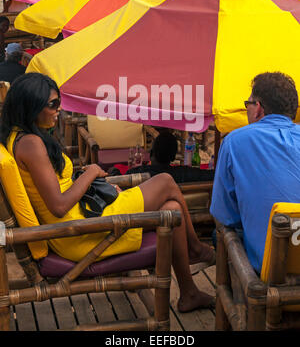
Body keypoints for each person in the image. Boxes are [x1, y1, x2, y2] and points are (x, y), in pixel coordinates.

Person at [0, 73, 216, 312]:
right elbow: (59, 206)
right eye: (53, 104)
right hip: (77, 231)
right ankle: (196, 249)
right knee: (165, 180)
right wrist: (90, 173)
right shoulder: (31, 144)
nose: (59, 108)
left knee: (172, 209)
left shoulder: (19, 137)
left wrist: (91, 186)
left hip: (82, 218)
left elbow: (56, 189)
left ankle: (189, 293)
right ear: (31, 105)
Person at [210, 72, 300, 274]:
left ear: (258, 108)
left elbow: (225, 216)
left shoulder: (235, 142)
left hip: (269, 274)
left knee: (220, 234)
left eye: (247, 104)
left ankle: (237, 299)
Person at [125, 132, 214, 183]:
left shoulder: (136, 173)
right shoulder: (183, 173)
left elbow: (118, 180)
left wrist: (114, 171)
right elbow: (210, 175)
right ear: (173, 157)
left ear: (151, 153)